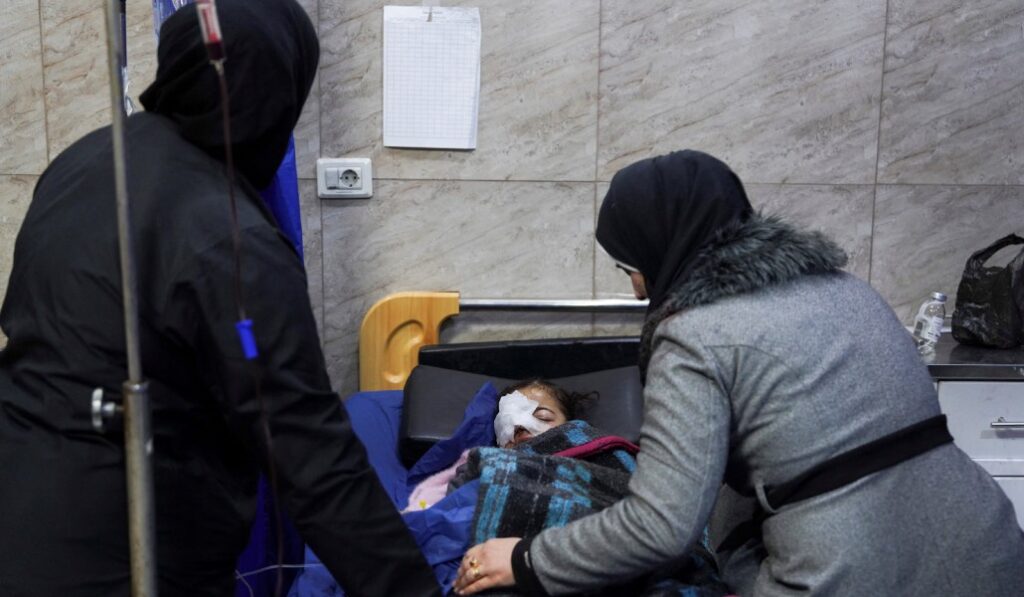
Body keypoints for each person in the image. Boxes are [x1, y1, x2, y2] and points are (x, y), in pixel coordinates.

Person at [0, 2, 439, 596]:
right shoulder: (231, 244)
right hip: (122, 551)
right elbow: (310, 454)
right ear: (283, 94)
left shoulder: (85, 160)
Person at [452, 150, 1024, 596]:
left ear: (665, 246)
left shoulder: (694, 334)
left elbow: (659, 527)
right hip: (989, 547)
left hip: (851, 575)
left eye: (632, 266)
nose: (635, 286)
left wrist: (526, 559)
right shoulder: (850, 289)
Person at [403, 379, 589, 511]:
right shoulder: (480, 465)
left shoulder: (592, 459)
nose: (522, 426)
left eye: (542, 417)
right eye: (509, 422)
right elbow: (453, 511)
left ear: (570, 425)